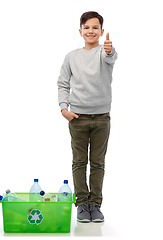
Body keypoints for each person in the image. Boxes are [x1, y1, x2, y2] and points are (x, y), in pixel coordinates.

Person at [57, 11, 118, 223]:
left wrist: (109, 50)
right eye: (86, 27)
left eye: (95, 28)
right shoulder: (71, 57)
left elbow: (111, 56)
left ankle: (96, 204)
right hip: (77, 118)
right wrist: (64, 108)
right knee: (80, 162)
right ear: (80, 31)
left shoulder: (104, 52)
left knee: (98, 163)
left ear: (101, 32)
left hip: (102, 117)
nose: (90, 31)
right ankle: (82, 204)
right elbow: (63, 83)